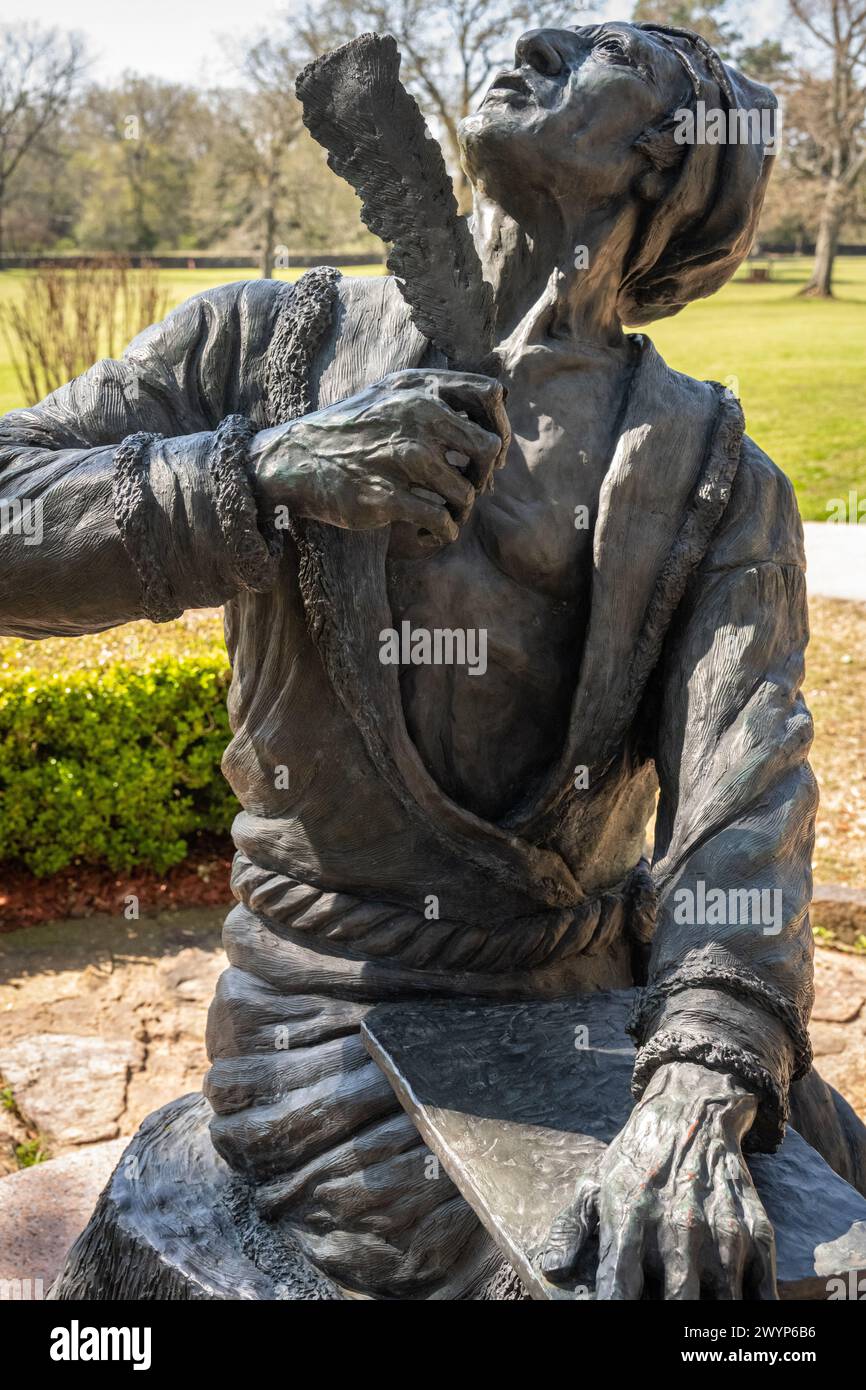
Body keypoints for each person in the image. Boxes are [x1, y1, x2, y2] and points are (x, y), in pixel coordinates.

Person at [2, 22, 864, 1300]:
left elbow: (748, 806)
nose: (535, 38)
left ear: (658, 161)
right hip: (336, 1031)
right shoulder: (269, 349)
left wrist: (701, 1074)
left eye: (597, 49)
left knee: (801, 1254)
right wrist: (256, 475)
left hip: (603, 1014)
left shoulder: (713, 480)